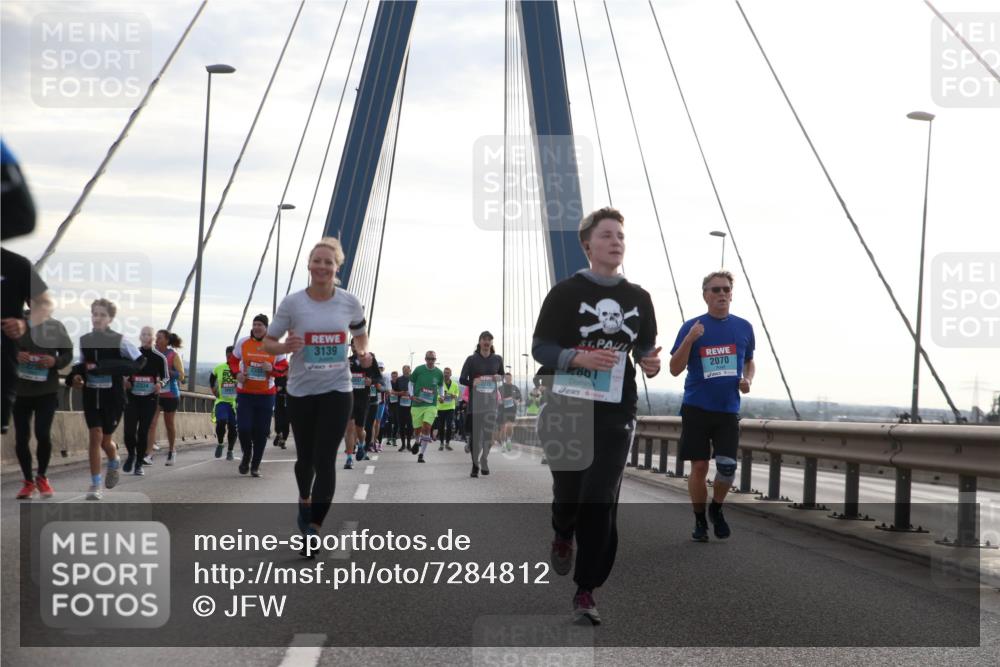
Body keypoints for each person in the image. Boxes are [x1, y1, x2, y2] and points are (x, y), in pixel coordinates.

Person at [532, 207, 660, 625]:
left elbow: (643, 350)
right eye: (607, 235)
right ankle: (562, 530)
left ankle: (587, 589)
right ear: (588, 244)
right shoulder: (565, 294)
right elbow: (542, 348)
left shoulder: (639, 299)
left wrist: (649, 363)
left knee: (601, 498)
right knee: (569, 491)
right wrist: (577, 356)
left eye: (621, 235)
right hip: (568, 406)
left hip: (616, 411)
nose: (616, 241)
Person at [263, 237, 368, 555]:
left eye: (328, 262)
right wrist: (284, 347)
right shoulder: (293, 304)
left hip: (338, 390)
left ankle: (314, 528)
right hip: (301, 391)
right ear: (309, 266)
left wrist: (363, 353)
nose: (322, 266)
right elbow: (268, 342)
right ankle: (304, 499)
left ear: (337, 268)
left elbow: (361, 337)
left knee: (325, 460)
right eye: (317, 261)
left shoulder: (349, 302)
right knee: (305, 460)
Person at [669, 270, 754, 542]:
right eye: (715, 290)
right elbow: (674, 369)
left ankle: (716, 509)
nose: (721, 294)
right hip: (696, 408)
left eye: (726, 289)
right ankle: (699, 521)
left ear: (731, 293)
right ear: (705, 295)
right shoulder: (692, 326)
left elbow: (749, 361)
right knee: (700, 467)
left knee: (727, 467)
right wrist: (690, 339)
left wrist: (747, 379)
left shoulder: (744, 327)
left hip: (728, 409)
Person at [66, 299, 145, 500]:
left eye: (102, 315)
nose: (97, 318)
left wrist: (110, 368)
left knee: (106, 442)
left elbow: (139, 362)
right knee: (95, 436)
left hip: (113, 399)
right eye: (95, 314)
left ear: (110, 319)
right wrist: (76, 377)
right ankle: (95, 485)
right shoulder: (85, 340)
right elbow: (82, 364)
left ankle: (114, 459)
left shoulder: (120, 341)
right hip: (92, 396)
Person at [13, 293, 72, 498]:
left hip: (46, 390)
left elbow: (68, 354)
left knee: (43, 434)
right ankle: (28, 481)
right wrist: (15, 355)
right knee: (21, 438)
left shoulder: (55, 327)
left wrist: (54, 361)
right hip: (20, 391)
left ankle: (42, 477)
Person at [231, 314, 288, 477]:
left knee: (261, 431)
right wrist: (237, 375)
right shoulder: (243, 342)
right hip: (245, 394)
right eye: (254, 324)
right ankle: (247, 455)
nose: (256, 327)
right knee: (243, 429)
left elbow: (283, 369)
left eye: (260, 325)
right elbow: (233, 361)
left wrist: (271, 369)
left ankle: (255, 465)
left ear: (266, 328)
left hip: (266, 395)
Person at [122, 326, 168, 477]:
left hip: (149, 399)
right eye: (144, 334)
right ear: (140, 337)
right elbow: (122, 372)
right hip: (132, 397)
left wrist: (159, 384)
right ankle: (131, 455)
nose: (146, 337)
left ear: (153, 338)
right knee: (129, 431)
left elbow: (166, 377)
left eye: (149, 334)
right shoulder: (133, 354)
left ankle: (139, 463)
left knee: (143, 432)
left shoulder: (159, 357)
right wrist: (125, 381)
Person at [460, 332, 504, 477]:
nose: (486, 342)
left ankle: (484, 458)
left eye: (489, 340)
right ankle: (475, 465)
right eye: (484, 339)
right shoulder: (471, 359)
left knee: (488, 437)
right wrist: (472, 382)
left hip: (491, 403)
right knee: (475, 438)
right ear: (479, 342)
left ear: (492, 343)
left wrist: (500, 377)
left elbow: (502, 376)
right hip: (475, 404)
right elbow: (461, 379)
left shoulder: (497, 359)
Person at [147, 330, 185, 465]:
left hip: (170, 393)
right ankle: (149, 454)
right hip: (156, 393)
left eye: (160, 337)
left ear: (167, 340)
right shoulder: (152, 353)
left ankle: (172, 450)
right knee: (151, 423)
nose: (156, 339)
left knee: (169, 424)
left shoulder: (173, 355)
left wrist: (165, 371)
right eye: (156, 337)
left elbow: (181, 375)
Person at [346, 339, 382, 469]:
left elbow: (379, 378)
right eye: (353, 345)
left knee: (359, 429)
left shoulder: (370, 360)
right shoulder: (347, 361)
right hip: (349, 398)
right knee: (349, 428)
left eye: (357, 344)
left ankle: (361, 444)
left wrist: (371, 380)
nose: (355, 347)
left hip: (363, 399)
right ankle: (349, 458)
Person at [409, 351, 443, 463]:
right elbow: (411, 383)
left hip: (431, 404)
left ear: (435, 360)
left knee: (427, 427)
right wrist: (412, 395)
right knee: (417, 429)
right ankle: (417, 441)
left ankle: (421, 454)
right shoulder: (418, 370)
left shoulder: (439, 373)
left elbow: (441, 386)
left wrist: (441, 396)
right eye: (429, 358)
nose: (431, 361)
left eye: (433, 359)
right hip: (417, 404)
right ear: (425, 359)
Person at [210, 346, 239, 460]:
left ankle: (230, 450)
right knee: (221, 421)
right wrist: (213, 389)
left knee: (233, 428)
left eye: (232, 356)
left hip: (234, 403)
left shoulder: (240, 368)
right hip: (221, 401)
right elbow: (212, 378)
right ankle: (220, 443)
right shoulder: (219, 367)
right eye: (228, 356)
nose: (230, 358)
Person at [436, 366, 461, 451]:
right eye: (445, 373)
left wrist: (455, 396)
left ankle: (447, 443)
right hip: (441, 407)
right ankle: (441, 443)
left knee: (449, 425)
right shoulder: (440, 383)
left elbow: (457, 392)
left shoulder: (454, 384)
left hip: (451, 407)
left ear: (450, 374)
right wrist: (439, 397)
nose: (446, 374)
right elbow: (436, 393)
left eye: (447, 373)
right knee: (441, 426)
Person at [496, 372, 522, 451]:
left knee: (510, 427)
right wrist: (499, 401)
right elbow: (495, 398)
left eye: (509, 378)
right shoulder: (500, 388)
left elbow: (520, 398)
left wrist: (517, 401)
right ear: (504, 379)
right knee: (503, 428)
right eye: (506, 378)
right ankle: (503, 444)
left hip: (511, 409)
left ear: (511, 378)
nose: (508, 379)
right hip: (502, 410)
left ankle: (509, 440)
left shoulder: (515, 388)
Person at [393, 365, 413, 452]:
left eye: (407, 370)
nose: (406, 371)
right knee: (401, 426)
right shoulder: (399, 379)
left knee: (410, 426)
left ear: (410, 371)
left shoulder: (413, 379)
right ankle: (403, 444)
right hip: (400, 406)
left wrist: (410, 394)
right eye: (404, 370)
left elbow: (417, 391)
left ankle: (409, 444)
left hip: (410, 406)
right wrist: (400, 393)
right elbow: (393, 391)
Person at [273, 367, 290, 450]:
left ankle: (283, 441)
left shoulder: (292, 379)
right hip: (279, 402)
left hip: (288, 404)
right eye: (286, 371)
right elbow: (277, 388)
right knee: (278, 421)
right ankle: (279, 434)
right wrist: (282, 384)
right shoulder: (279, 378)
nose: (287, 373)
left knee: (286, 423)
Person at [386, 369, 400, 448]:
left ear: (397, 376)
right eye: (393, 376)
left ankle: (394, 437)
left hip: (398, 405)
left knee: (397, 422)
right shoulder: (389, 383)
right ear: (391, 376)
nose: (394, 377)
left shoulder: (399, 383)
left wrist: (395, 393)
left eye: (395, 376)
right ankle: (388, 438)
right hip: (390, 404)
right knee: (390, 421)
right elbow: (386, 391)